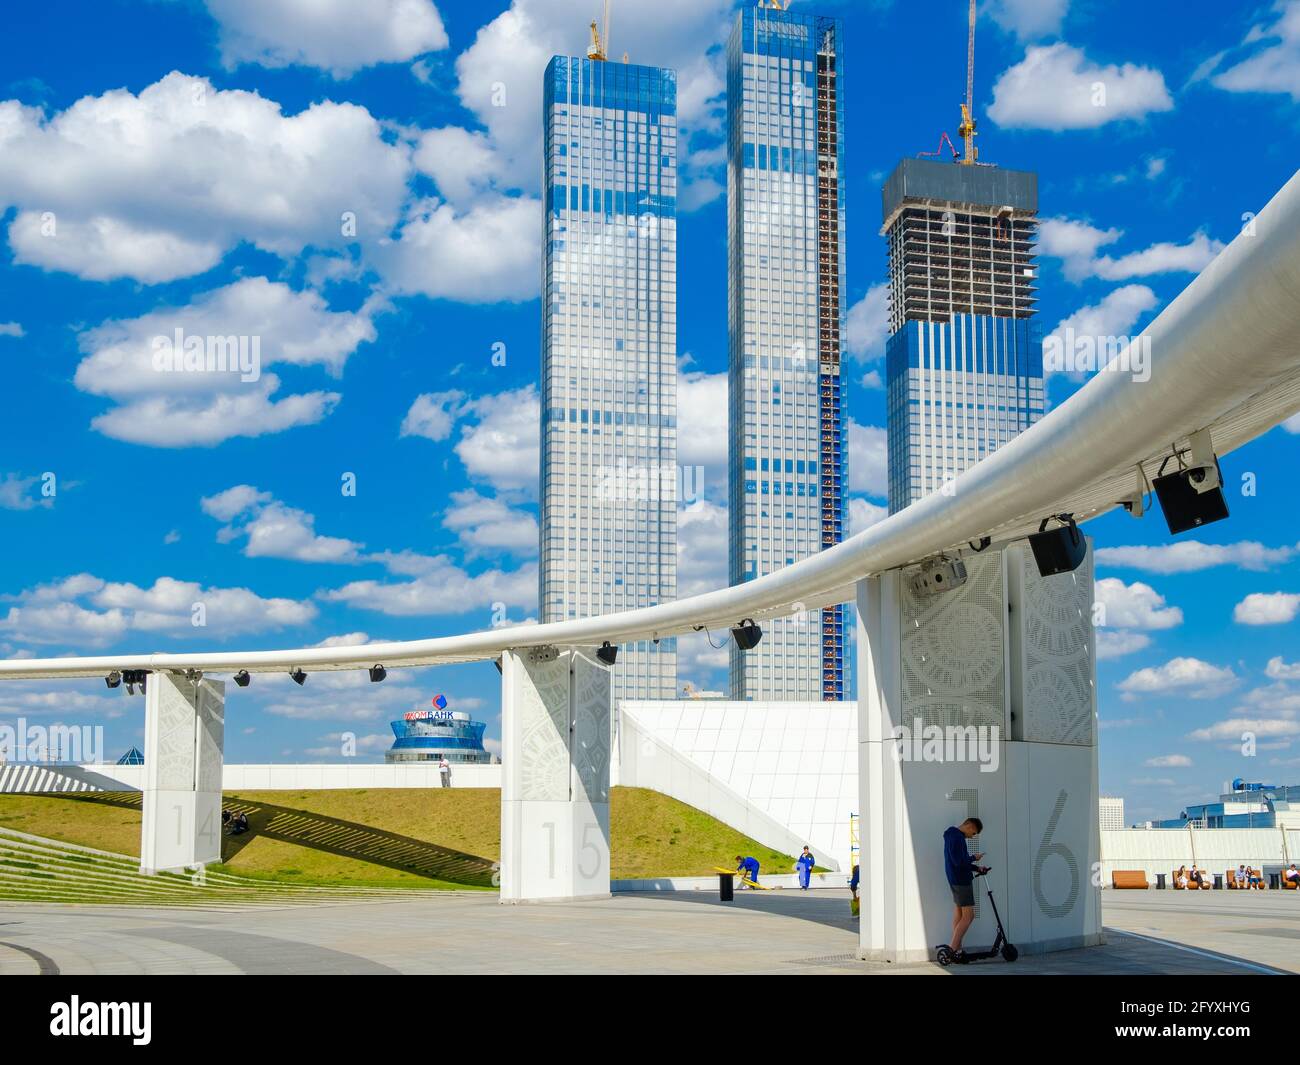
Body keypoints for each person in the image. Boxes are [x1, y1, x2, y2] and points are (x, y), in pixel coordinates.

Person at [942, 817, 988, 960]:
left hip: (955, 879)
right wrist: (974, 857)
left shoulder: (952, 835)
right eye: (973, 833)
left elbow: (959, 861)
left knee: (960, 915)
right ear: (968, 826)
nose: (972, 836)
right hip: (961, 881)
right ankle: (952, 949)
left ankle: (957, 951)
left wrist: (976, 868)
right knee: (969, 916)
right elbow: (959, 862)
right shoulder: (957, 838)